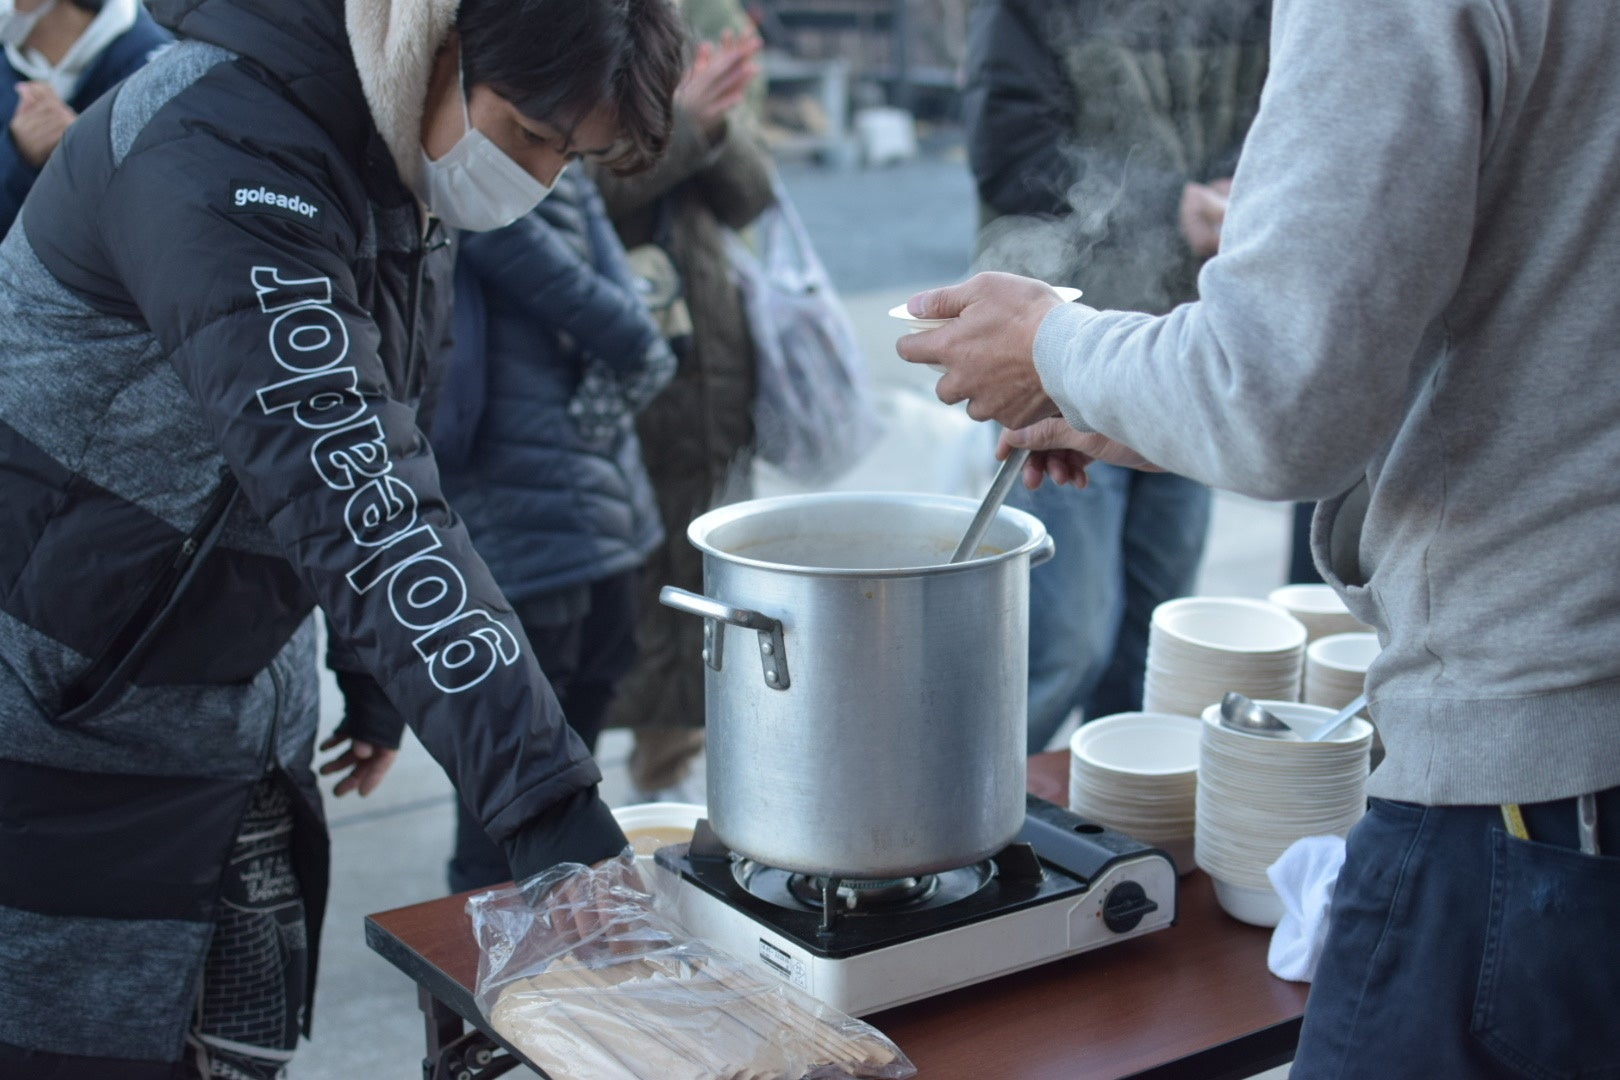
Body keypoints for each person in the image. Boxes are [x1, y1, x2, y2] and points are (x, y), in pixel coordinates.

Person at [899, 0, 1620, 1075]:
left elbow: (1275, 397)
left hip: (1529, 779)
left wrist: (1050, 343)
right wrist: (1142, 400)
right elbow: (1530, 328)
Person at [0, 0, 685, 1074]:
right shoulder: (218, 146)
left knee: (231, 1045)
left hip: (228, 703)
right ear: (447, 38)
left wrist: (371, 673)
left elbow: (388, 425)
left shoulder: (388, 148)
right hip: (61, 715)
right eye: (529, 136)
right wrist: (550, 811)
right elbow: (347, 480)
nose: (538, 180)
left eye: (571, 159)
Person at [963, 0, 1268, 751]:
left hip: (1192, 343)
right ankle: (967, 803)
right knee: (1062, 647)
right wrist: (1171, 208)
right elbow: (1011, 155)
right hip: (1063, 359)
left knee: (1155, 640)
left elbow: (1277, 111)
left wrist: (1242, 187)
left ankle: (1117, 806)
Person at [433, 167, 677, 893]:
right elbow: (492, 224)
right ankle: (484, 938)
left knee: (578, 732)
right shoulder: (470, 156)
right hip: (512, 490)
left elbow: (606, 270)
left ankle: (557, 919)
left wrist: (631, 331)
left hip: (594, 481)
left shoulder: (566, 151)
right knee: (516, 767)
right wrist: (632, 333)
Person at [595, 2, 773, 801]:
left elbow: (753, 196)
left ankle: (678, 787)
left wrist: (713, 125)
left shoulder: (706, 16)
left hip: (712, 359)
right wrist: (682, 127)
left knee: (708, 579)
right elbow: (560, 196)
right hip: (618, 362)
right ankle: (643, 790)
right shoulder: (567, 27)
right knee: (629, 598)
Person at [2, 0, 168, 232]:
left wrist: (86, 149)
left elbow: (170, 206)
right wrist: (15, 154)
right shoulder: (6, 71)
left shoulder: (157, 69)